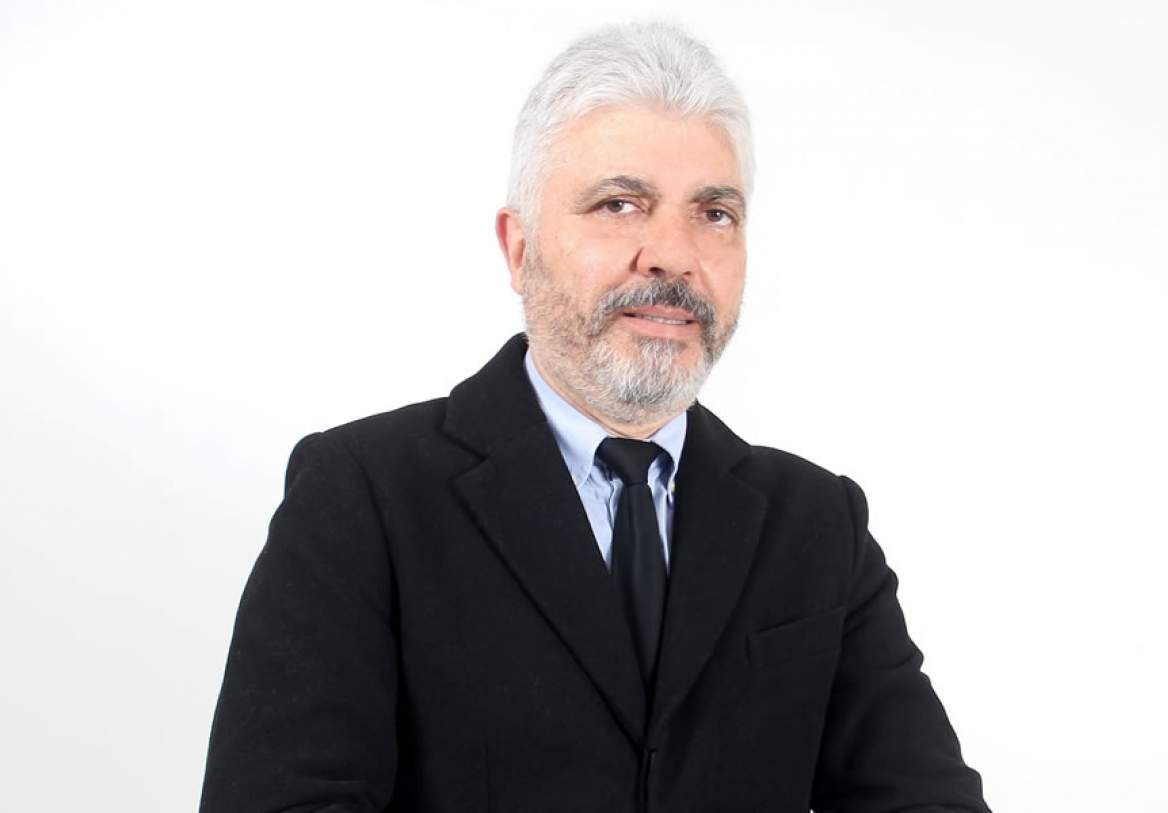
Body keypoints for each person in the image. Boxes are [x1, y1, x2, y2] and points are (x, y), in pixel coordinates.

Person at [200, 20, 990, 813]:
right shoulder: (363, 497)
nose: (673, 254)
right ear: (519, 249)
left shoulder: (819, 525)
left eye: (714, 213)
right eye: (620, 204)